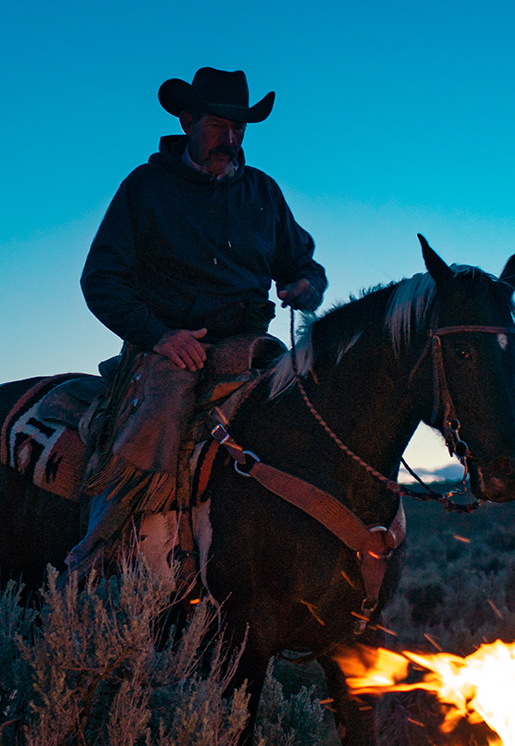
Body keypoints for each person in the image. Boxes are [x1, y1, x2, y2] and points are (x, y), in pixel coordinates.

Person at [69, 67, 325, 563]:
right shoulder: (145, 187)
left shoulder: (263, 192)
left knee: (311, 407)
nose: (229, 139)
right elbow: (101, 280)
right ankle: (100, 544)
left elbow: (302, 263)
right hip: (169, 346)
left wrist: (305, 286)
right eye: (216, 125)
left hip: (249, 344)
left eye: (239, 128)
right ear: (187, 121)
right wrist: (160, 336)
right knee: (164, 404)